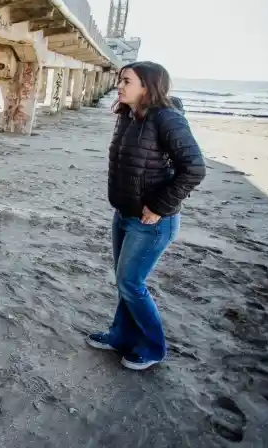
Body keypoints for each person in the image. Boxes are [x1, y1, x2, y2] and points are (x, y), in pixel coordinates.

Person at [86, 61, 206, 370]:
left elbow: (194, 168)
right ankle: (120, 336)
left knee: (131, 283)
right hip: (124, 214)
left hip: (152, 221)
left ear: (147, 86)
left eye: (126, 81)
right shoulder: (128, 115)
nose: (119, 85)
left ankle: (153, 347)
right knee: (125, 282)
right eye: (120, 80)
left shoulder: (167, 119)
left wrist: (159, 207)